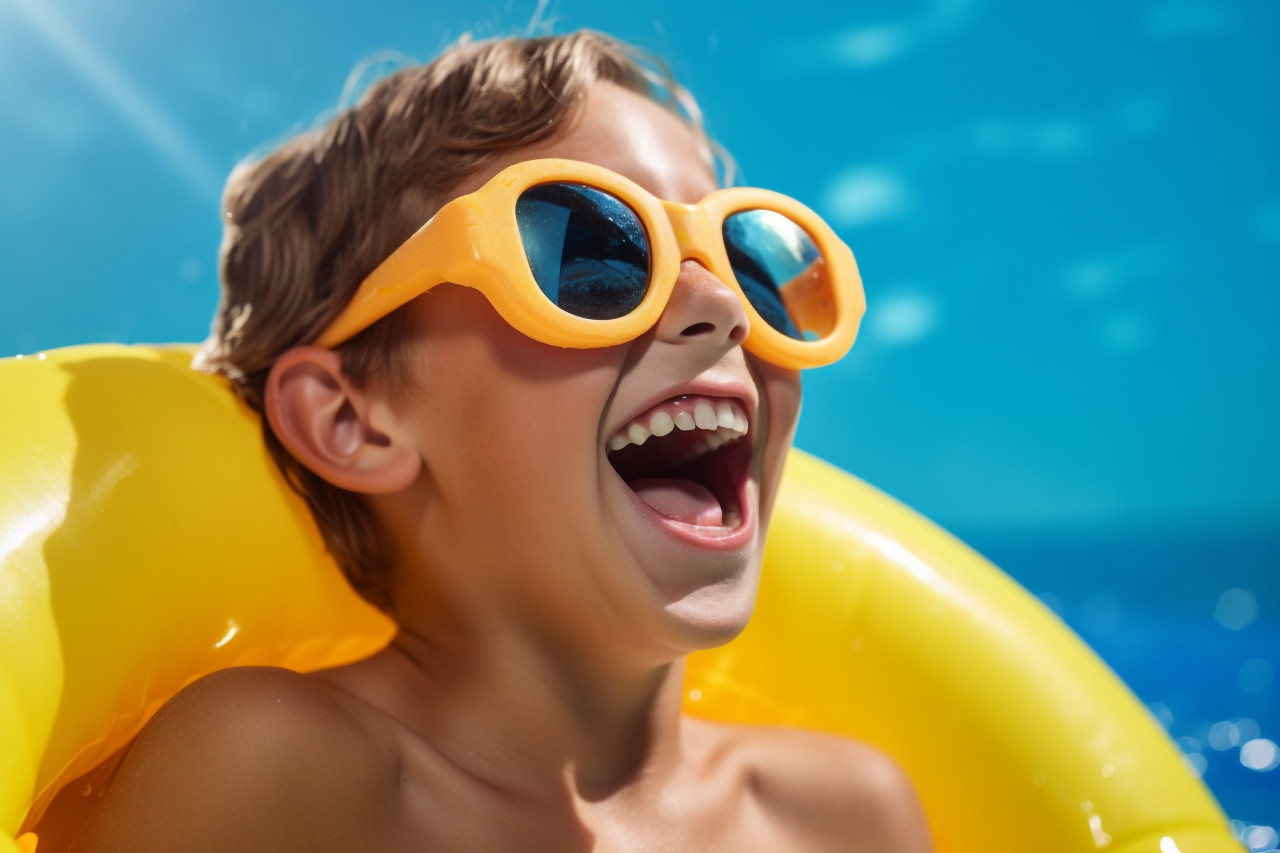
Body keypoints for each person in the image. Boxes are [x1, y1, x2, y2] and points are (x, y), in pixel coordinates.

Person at [68, 30, 932, 851]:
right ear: (353, 420)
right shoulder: (281, 773)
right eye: (594, 258)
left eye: (748, 262)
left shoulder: (843, 815)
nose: (724, 307)